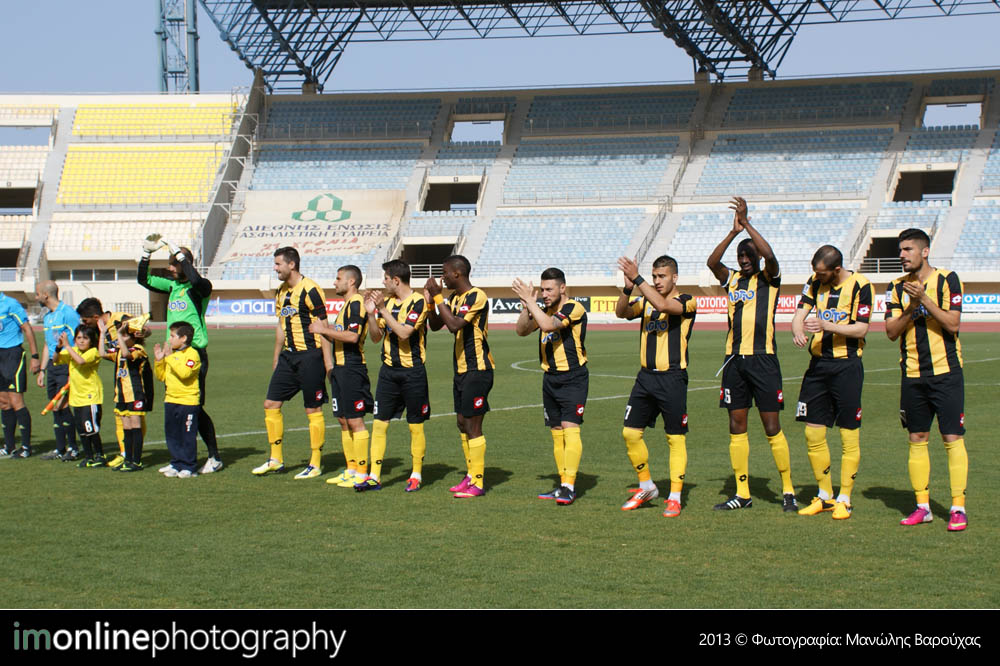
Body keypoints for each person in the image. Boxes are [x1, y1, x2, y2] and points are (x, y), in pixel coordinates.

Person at [706, 196, 797, 512]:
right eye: (741, 256)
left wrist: (746, 224)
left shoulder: (769, 278)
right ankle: (742, 493)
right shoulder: (731, 279)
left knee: (772, 427)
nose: (744, 259)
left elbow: (770, 255)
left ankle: (788, 491)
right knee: (736, 425)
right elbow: (712, 263)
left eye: (749, 255)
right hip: (734, 361)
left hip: (763, 360)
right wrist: (733, 233)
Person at [885, 228, 968, 532]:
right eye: (900, 250)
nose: (902, 255)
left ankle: (958, 508)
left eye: (908, 249)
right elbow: (891, 332)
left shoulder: (948, 280)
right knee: (917, 438)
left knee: (952, 437)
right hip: (912, 375)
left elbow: (953, 323)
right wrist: (911, 306)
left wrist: (924, 299)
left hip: (946, 373)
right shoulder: (895, 287)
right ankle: (923, 507)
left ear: (925, 251)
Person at [791, 246, 872, 520]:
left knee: (848, 434)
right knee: (813, 433)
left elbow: (861, 328)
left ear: (836, 270)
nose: (817, 276)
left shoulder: (861, 286)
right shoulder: (815, 282)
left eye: (822, 273)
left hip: (847, 367)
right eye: (815, 272)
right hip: (818, 367)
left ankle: (844, 499)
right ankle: (824, 495)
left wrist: (827, 326)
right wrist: (797, 330)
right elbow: (800, 313)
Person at [614, 255, 696, 517]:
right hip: (645, 379)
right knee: (630, 433)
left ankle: (675, 497)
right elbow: (621, 312)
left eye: (662, 276)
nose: (657, 281)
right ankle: (647, 486)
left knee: (674, 437)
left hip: (672, 378)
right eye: (654, 277)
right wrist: (628, 288)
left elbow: (663, 304)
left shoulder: (687, 300)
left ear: (675, 277)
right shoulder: (647, 301)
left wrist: (638, 278)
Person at [139, 236, 222, 474]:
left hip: (193, 352)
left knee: (194, 406)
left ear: (185, 263)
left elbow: (195, 279)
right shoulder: (172, 286)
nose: (170, 268)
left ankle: (213, 457)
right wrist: (145, 255)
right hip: (172, 353)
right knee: (175, 405)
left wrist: (181, 256)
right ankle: (178, 460)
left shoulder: (200, 288)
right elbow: (143, 279)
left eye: (173, 263)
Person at [254, 247, 334, 479]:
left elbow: (324, 327)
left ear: (292, 264)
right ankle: (275, 459)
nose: (275, 268)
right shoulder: (281, 291)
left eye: (278, 264)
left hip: (311, 356)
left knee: (312, 409)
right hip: (288, 357)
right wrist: (276, 356)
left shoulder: (311, 289)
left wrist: (327, 362)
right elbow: (281, 326)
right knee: (271, 404)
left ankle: (315, 463)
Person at [513, 267, 588, 506]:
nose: (544, 294)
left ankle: (569, 486)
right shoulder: (544, 310)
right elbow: (521, 330)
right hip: (550, 378)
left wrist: (531, 302)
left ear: (562, 288)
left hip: (573, 377)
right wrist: (527, 306)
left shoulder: (574, 308)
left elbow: (547, 326)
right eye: (542, 290)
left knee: (570, 428)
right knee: (556, 432)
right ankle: (563, 484)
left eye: (549, 289)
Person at [425, 255, 494, 498]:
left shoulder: (477, 295)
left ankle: (478, 482)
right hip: (462, 370)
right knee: (462, 423)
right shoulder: (454, 298)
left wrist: (437, 297)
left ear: (457, 273)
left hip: (478, 370)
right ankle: (470, 474)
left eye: (445, 272)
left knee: (473, 425)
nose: (442, 277)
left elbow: (454, 324)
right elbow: (437, 325)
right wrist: (431, 303)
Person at [363, 260, 430, 492]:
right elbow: (375, 338)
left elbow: (404, 333)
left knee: (415, 425)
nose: (383, 282)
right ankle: (374, 476)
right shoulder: (389, 302)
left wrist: (381, 309)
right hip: (388, 372)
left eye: (385, 278)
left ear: (396, 280)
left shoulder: (418, 301)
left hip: (413, 373)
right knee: (379, 423)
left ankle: (416, 474)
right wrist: (371, 315)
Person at [309, 264, 374, 488]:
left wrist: (323, 330)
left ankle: (362, 473)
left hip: (352, 369)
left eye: (338, 279)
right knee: (344, 421)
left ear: (351, 281)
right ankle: (351, 469)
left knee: (355, 421)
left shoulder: (356, 303)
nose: (334, 283)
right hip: (340, 369)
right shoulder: (347, 305)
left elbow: (353, 336)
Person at [75, 298, 136, 468]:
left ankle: (133, 455)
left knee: (134, 417)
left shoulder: (121, 318)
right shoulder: (98, 331)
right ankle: (125, 454)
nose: (84, 324)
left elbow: (144, 331)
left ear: (95, 317)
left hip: (134, 373)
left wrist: (141, 332)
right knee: (120, 415)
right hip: (120, 373)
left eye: (85, 320)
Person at [99, 315, 154, 472]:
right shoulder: (118, 351)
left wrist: (119, 335)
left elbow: (127, 355)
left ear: (133, 338)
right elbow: (102, 353)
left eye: (124, 336)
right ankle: (128, 460)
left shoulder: (138, 350)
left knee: (136, 427)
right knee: (127, 429)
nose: (119, 339)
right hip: (121, 395)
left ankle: (136, 461)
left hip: (135, 395)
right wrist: (102, 334)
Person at [35, 280, 80, 461]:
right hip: (52, 366)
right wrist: (42, 370)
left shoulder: (68, 313)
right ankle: (60, 448)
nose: (36, 297)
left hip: (66, 365)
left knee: (63, 404)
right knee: (55, 406)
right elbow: (48, 345)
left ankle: (73, 448)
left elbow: (79, 340)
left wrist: (74, 366)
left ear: (45, 295)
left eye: (37, 294)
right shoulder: (48, 317)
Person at [154, 322, 201, 478]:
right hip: (170, 399)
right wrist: (159, 361)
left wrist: (169, 358)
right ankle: (176, 463)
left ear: (184, 338)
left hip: (188, 401)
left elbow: (184, 373)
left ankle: (189, 466)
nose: (170, 339)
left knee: (187, 435)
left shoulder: (192, 354)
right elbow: (161, 377)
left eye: (173, 336)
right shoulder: (172, 355)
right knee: (172, 435)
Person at [54, 325, 104, 467]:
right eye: (79, 338)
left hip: (90, 397)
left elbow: (80, 361)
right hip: (76, 398)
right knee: (81, 430)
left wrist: (67, 346)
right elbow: (55, 360)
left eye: (85, 338)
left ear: (91, 341)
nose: (81, 341)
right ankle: (88, 457)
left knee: (90, 429)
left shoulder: (93, 352)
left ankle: (100, 455)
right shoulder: (73, 350)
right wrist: (58, 347)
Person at [0, 291, 40, 458]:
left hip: (12, 355)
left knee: (16, 401)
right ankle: (9, 446)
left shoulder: (10, 304)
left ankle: (26, 447)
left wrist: (35, 356)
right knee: (3, 402)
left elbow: (27, 328)